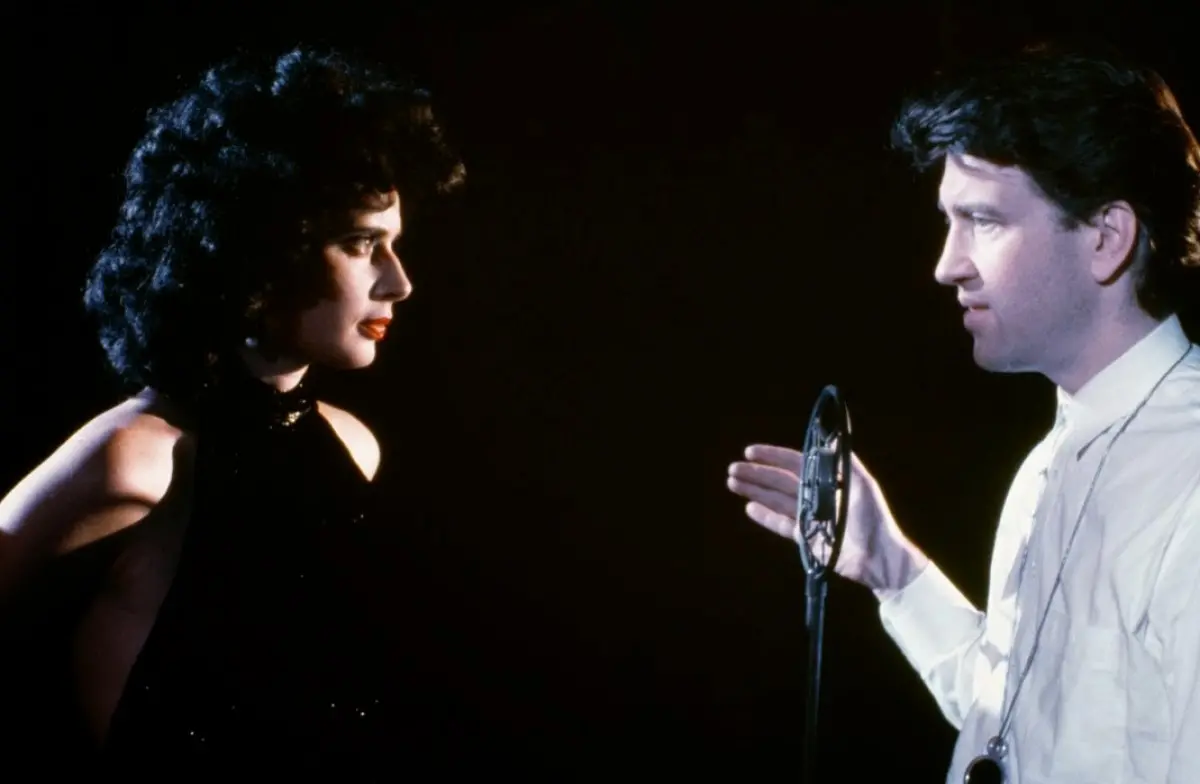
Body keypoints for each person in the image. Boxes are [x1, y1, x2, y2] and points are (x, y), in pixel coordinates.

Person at [726, 42, 1200, 784]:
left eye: (983, 220)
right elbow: (1015, 721)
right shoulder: (1051, 460)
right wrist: (890, 566)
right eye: (950, 221)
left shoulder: (1190, 474)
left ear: (1107, 237)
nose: (947, 265)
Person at [0, 46, 465, 777]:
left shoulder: (353, 445)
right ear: (261, 248)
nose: (398, 282)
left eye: (393, 245)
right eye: (359, 244)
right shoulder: (138, 455)